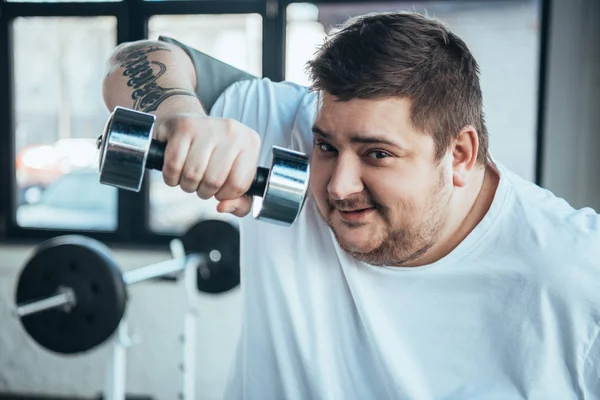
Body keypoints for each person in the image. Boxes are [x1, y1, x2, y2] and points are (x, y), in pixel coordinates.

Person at [102, 11, 600, 400]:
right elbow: (133, 60)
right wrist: (183, 118)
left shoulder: (575, 274)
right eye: (326, 147)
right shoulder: (285, 127)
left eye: (377, 154)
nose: (338, 186)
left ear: (460, 154)